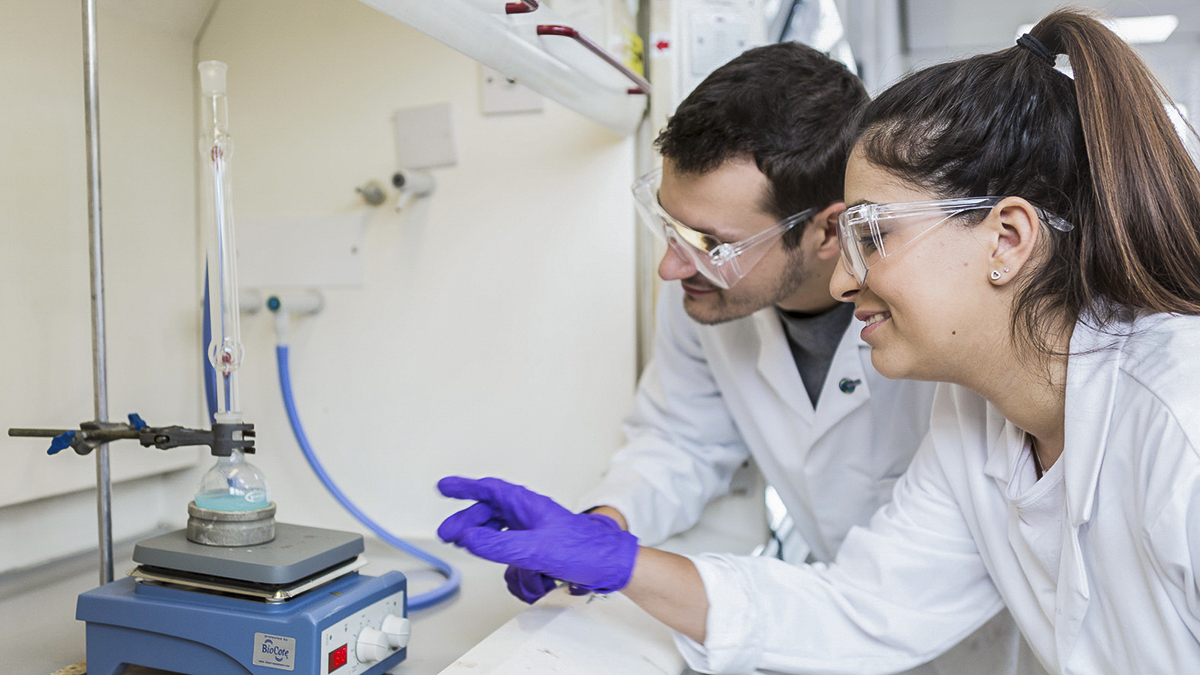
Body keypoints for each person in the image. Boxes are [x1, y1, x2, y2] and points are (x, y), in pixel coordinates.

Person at [436, 8, 1200, 675]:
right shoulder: (977, 423)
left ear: (1007, 238)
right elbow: (868, 603)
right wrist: (620, 552)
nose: (844, 280)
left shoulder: (1179, 423)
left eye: (874, 234)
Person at [461, 40, 1020, 674]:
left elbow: (886, 601)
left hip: (962, 647)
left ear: (831, 231)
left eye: (710, 242)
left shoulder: (946, 337)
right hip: (821, 613)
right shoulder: (705, 297)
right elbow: (682, 441)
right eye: (671, 228)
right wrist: (603, 525)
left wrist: (627, 567)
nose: (672, 267)